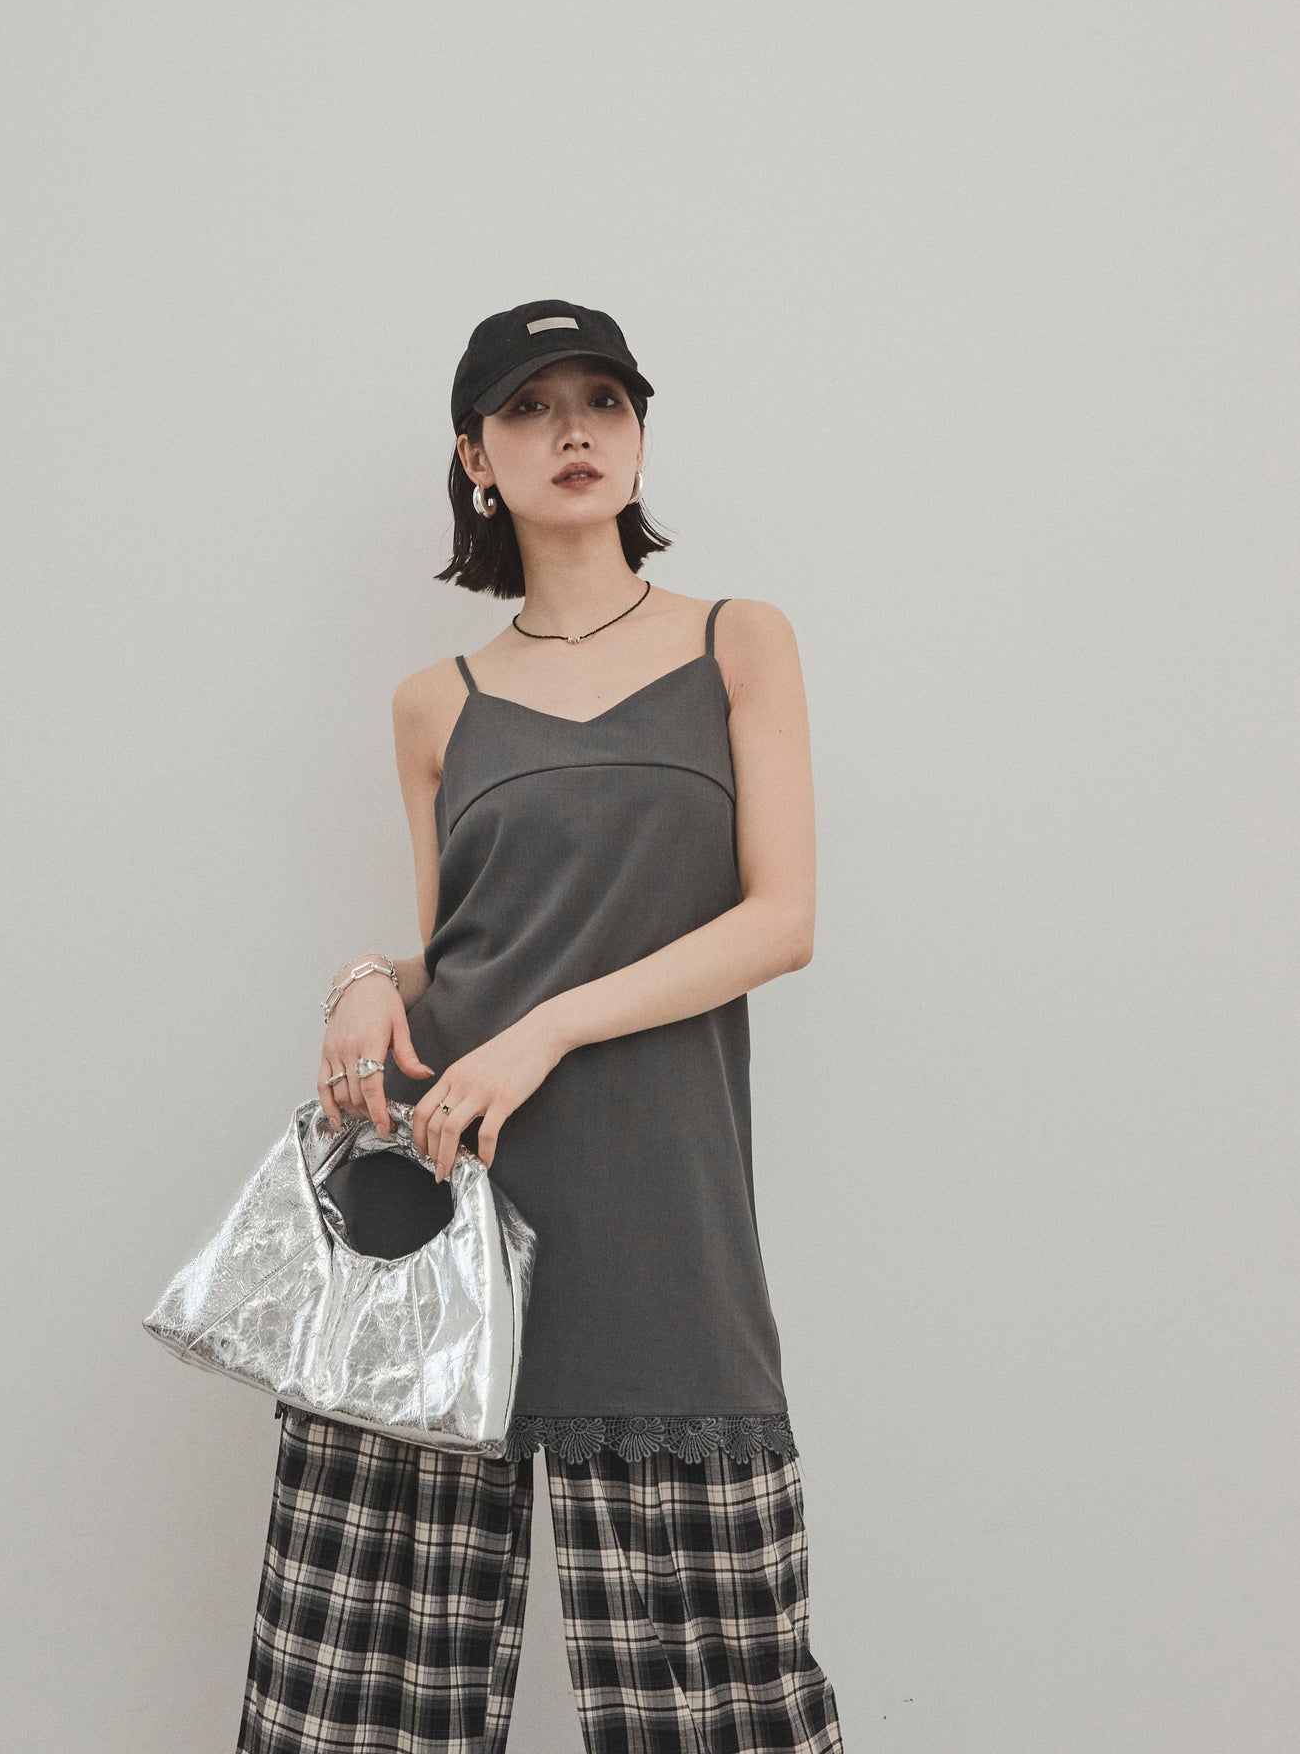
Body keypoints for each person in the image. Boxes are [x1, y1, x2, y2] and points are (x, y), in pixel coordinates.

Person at [237, 299, 844, 1753]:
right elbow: (465, 946)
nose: (571, 431)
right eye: (528, 407)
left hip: (659, 1213)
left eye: (602, 401)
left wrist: (545, 1034)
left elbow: (780, 921)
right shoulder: (434, 705)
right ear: (475, 458)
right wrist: (367, 978)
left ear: (637, 436)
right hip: (448, 1208)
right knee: (371, 1701)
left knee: (722, 1697)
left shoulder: (737, 641)